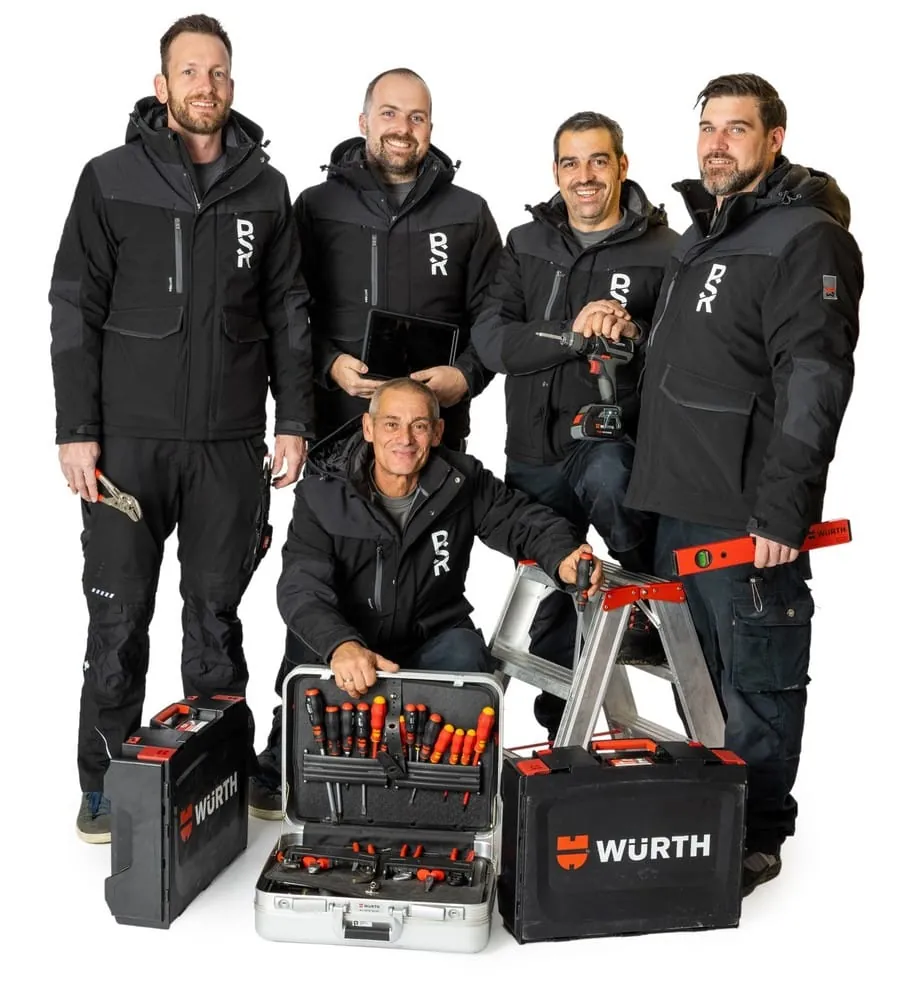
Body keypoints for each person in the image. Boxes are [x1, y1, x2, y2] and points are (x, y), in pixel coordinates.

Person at [49, 13, 313, 843]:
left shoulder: (266, 189)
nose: (207, 85)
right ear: (162, 85)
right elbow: (73, 306)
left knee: (215, 619)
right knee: (118, 621)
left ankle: (215, 775)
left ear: (232, 83)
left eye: (219, 72)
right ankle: (106, 786)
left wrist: (293, 420)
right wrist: (75, 427)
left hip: (229, 445)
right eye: (191, 72)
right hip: (126, 447)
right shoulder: (110, 178)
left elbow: (288, 312)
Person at [624, 74, 863, 896]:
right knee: (698, 682)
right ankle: (707, 813)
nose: (717, 143)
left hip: (744, 514)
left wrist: (784, 509)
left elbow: (815, 378)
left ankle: (755, 835)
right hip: (675, 504)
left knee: (756, 680)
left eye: (736, 128)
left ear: (774, 139)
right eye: (708, 128)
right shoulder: (702, 235)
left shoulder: (807, 238)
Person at [249, 67, 502, 816]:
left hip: (428, 437)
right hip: (343, 428)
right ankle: (287, 746)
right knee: (324, 581)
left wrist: (463, 376)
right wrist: (328, 362)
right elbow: (287, 306)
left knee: (421, 588)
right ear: (364, 121)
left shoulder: (468, 214)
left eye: (417, 117)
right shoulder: (316, 205)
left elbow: (495, 318)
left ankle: (419, 767)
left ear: (431, 127)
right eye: (389, 113)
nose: (403, 128)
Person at [471, 111, 678, 738]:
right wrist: (572, 333)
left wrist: (631, 334)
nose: (584, 176)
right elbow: (493, 342)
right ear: (555, 171)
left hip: (611, 437)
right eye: (570, 163)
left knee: (615, 486)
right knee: (552, 593)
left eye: (598, 160)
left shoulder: (666, 251)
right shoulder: (525, 242)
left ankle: (653, 604)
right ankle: (560, 724)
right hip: (534, 448)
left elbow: (681, 355)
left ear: (622, 165)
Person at [277, 377, 602, 702]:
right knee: (304, 722)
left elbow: (521, 519)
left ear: (437, 432)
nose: (405, 439)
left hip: (428, 644)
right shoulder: (321, 495)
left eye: (419, 426)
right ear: (368, 428)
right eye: (391, 424)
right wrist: (340, 644)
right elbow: (301, 587)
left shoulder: (462, 481)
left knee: (468, 658)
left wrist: (564, 554)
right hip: (345, 652)